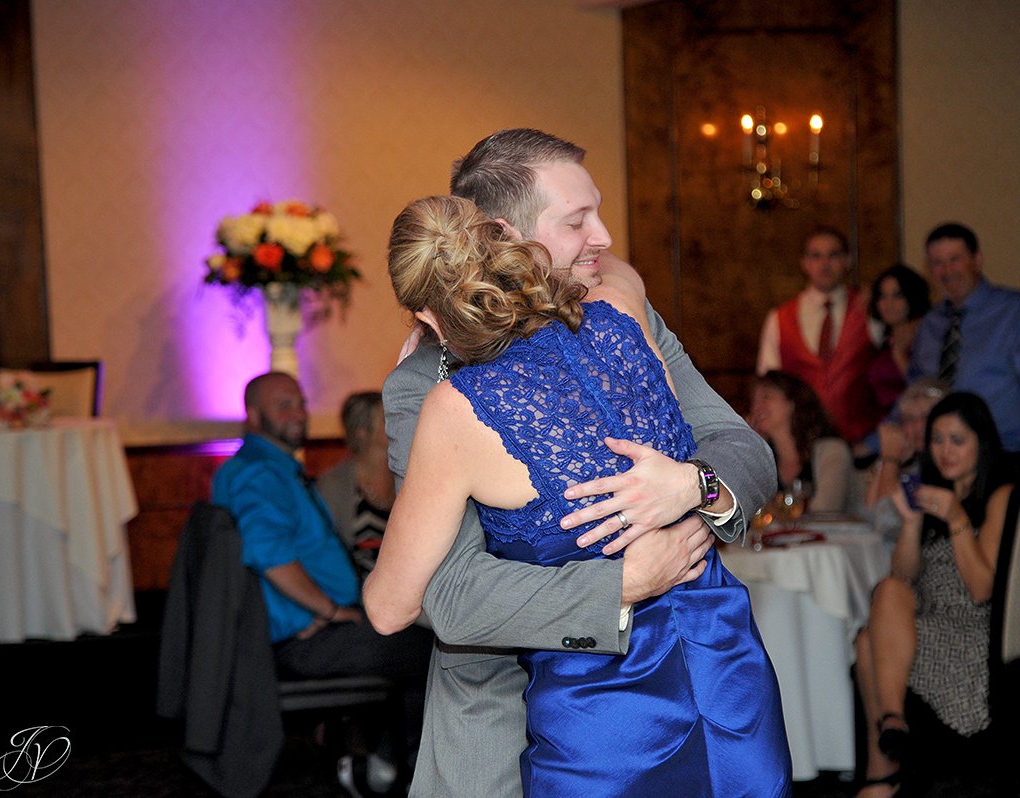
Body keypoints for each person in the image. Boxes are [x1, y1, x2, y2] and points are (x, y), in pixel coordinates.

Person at [382, 129, 780, 798]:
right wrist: (620, 584)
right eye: (577, 220)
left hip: (696, 667)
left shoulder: (622, 316)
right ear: (508, 235)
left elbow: (744, 449)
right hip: (511, 714)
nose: (603, 237)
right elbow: (445, 589)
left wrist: (692, 487)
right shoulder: (426, 387)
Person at [210, 373, 433, 788]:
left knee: (414, 637)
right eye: (283, 405)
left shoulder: (274, 470)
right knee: (434, 650)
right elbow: (269, 556)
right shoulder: (259, 474)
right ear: (254, 416)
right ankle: (407, 767)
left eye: (300, 402)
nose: (298, 413)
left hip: (310, 627)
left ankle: (391, 759)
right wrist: (324, 610)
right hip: (304, 639)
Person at [853, 392, 1014, 798]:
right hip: (924, 610)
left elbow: (981, 590)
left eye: (957, 440)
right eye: (937, 439)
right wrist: (911, 523)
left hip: (973, 625)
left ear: (982, 441)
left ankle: (882, 773)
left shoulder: (999, 495)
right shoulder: (929, 487)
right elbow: (905, 575)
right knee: (889, 587)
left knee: (867, 642)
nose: (945, 451)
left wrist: (956, 516)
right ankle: (894, 721)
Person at [907, 222, 1020, 478]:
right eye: (937, 263)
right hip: (942, 461)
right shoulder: (930, 325)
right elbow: (915, 390)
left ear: (977, 260)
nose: (947, 271)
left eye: (955, 259)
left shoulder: (1018, 311)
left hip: (1003, 457)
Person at [756, 226, 882, 444]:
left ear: (848, 261)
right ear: (805, 263)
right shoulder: (779, 318)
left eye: (833, 255)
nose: (825, 264)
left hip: (861, 442)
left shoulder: (870, 311)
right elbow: (767, 386)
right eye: (816, 256)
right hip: (801, 445)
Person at [749, 370, 861, 515]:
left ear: (793, 402)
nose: (756, 408)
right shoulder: (762, 460)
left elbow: (825, 510)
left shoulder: (831, 450)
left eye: (766, 397)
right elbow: (747, 515)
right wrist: (750, 451)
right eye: (753, 401)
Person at [317, 391, 393, 575]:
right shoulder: (334, 484)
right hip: (353, 596)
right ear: (362, 431)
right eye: (387, 418)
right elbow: (323, 551)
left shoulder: (406, 474)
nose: (399, 422)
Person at [864, 378, 947, 545]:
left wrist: (891, 459)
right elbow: (870, 516)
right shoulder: (909, 464)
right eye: (909, 419)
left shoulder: (946, 466)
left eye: (925, 417)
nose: (917, 427)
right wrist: (888, 460)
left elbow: (887, 523)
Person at [867, 263, 931, 416]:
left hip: (912, 422)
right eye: (882, 296)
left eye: (897, 295)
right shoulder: (884, 338)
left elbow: (925, 390)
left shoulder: (925, 336)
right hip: (883, 423)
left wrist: (900, 354)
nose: (888, 304)